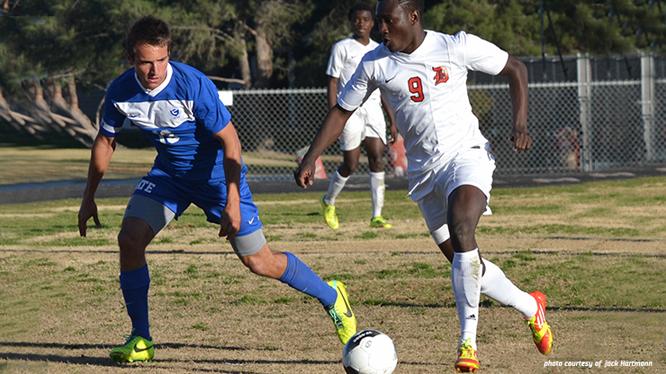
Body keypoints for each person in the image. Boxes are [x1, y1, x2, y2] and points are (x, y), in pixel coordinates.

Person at [77, 16, 356, 363]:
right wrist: (88, 197)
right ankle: (141, 338)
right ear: (131, 57)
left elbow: (231, 142)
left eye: (161, 60)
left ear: (169, 53)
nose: (154, 70)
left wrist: (233, 200)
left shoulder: (193, 85)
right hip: (169, 177)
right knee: (129, 239)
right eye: (146, 61)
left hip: (216, 178)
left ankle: (332, 297)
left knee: (259, 261)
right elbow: (106, 141)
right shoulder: (120, 91)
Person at [295, 1, 553, 372]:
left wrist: (520, 123)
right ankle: (532, 307)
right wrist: (310, 157)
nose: (382, 29)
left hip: (468, 156)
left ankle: (468, 344)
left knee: (464, 227)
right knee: (468, 265)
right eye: (379, 22)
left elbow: (516, 68)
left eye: (388, 21)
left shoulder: (454, 46)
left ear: (412, 18)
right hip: (424, 173)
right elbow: (341, 111)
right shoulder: (376, 63)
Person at [320, 3, 397, 230]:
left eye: (365, 19)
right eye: (356, 20)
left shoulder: (380, 49)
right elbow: (332, 80)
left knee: (377, 157)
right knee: (351, 163)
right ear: (351, 22)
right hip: (349, 111)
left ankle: (377, 215)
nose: (361, 23)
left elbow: (383, 87)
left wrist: (392, 119)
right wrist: (334, 113)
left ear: (373, 23)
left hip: (373, 110)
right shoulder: (342, 47)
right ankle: (329, 200)